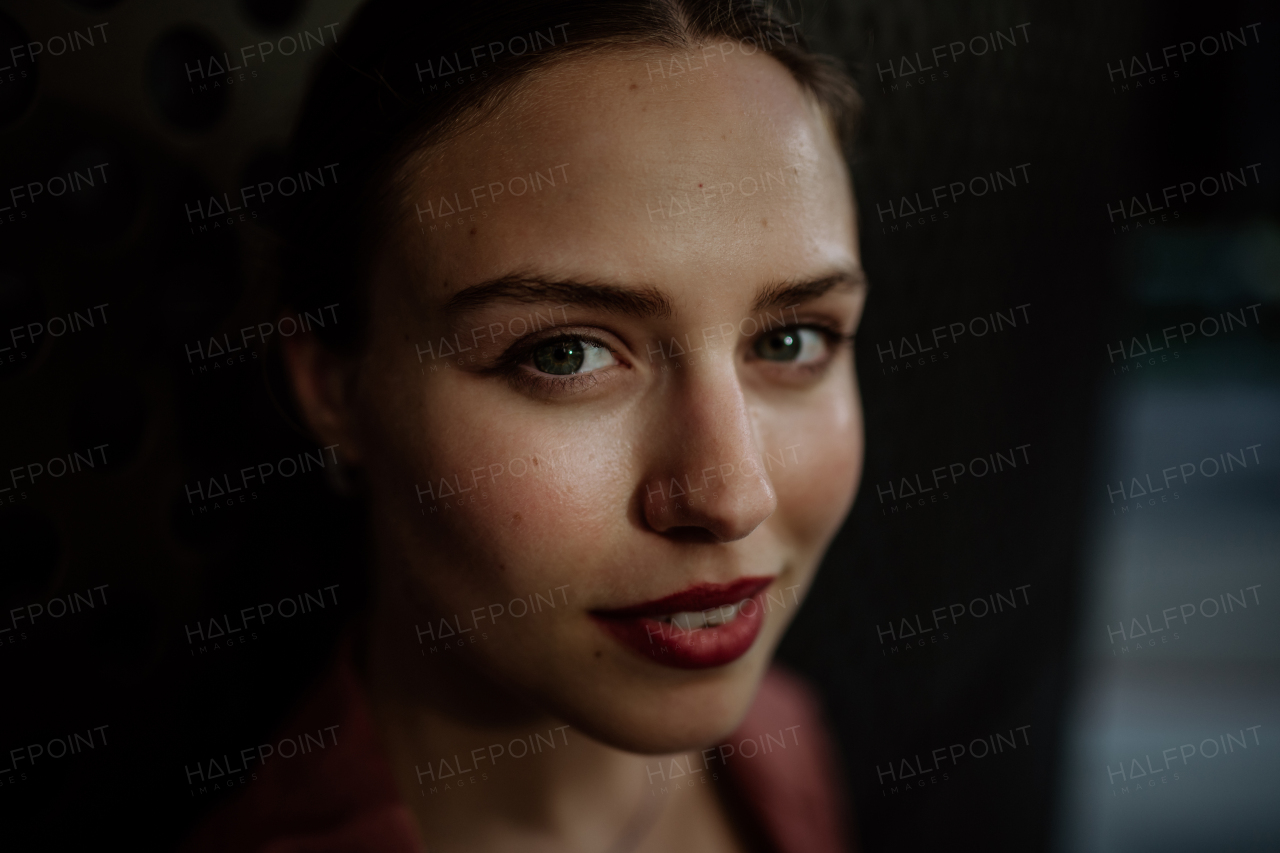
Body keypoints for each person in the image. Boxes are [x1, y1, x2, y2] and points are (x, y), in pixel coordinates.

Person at [186, 1, 866, 850]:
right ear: (332, 386)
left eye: (790, 338)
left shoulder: (787, 736)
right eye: (566, 354)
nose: (732, 497)